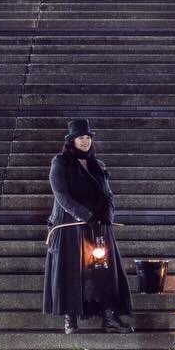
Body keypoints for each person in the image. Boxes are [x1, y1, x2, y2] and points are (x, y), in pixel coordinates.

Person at [43, 116, 132, 335]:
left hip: (98, 226)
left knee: (105, 271)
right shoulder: (60, 162)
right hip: (70, 226)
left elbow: (108, 194)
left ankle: (109, 318)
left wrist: (108, 215)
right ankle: (70, 319)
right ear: (72, 140)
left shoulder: (97, 165)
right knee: (70, 270)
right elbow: (61, 196)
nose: (85, 141)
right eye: (80, 138)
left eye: (87, 137)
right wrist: (85, 215)